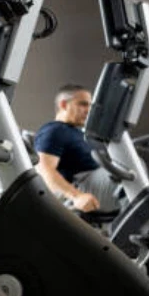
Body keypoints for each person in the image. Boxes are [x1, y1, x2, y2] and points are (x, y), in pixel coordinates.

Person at [33, 85, 114, 213]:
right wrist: (77, 196)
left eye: (90, 106)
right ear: (64, 104)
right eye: (83, 104)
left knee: (132, 170)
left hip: (96, 182)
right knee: (125, 177)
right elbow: (43, 169)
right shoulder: (54, 130)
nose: (88, 110)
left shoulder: (80, 134)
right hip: (80, 188)